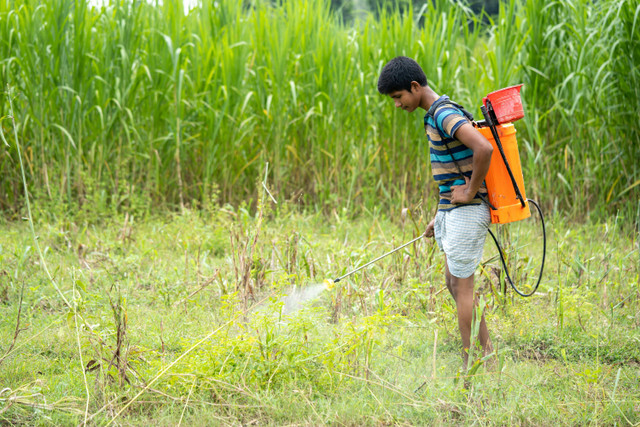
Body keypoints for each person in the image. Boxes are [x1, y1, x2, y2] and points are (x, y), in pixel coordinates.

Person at [377, 56, 494, 370]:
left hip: (469, 210)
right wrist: (439, 216)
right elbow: (454, 171)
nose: (398, 104)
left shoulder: (443, 113)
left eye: (399, 97)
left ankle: (472, 368)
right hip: (455, 210)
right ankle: (487, 355)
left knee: (463, 286)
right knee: (453, 283)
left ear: (415, 87)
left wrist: (469, 192)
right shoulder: (435, 114)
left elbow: (484, 149)